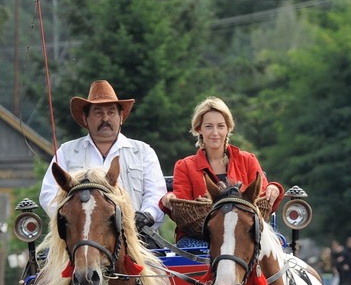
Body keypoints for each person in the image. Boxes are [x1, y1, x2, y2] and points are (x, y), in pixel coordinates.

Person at [38, 80, 166, 231]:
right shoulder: (66, 152)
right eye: (98, 112)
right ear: (85, 118)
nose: (105, 119)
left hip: (137, 237)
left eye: (111, 112)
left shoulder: (143, 152)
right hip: (81, 240)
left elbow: (156, 193)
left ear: (121, 117)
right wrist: (72, 220)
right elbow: (49, 195)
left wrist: (146, 215)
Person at [159, 96, 284, 248]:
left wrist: (274, 188)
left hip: (245, 234)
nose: (215, 132)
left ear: (228, 128)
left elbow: (262, 199)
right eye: (208, 126)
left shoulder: (248, 160)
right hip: (199, 238)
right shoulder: (185, 166)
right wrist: (170, 199)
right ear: (199, 129)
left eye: (220, 126)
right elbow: (182, 208)